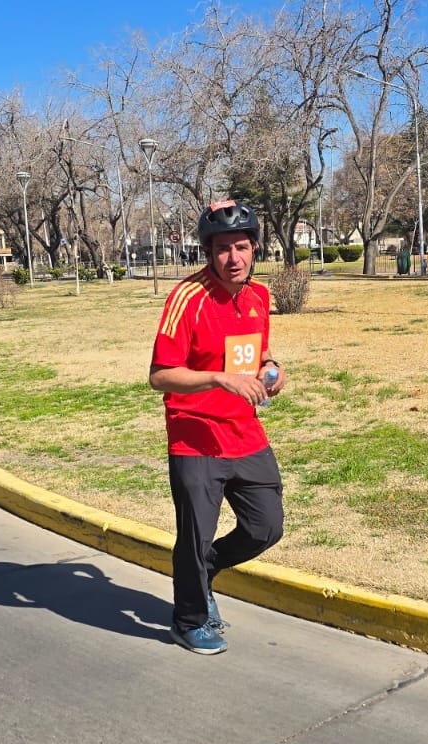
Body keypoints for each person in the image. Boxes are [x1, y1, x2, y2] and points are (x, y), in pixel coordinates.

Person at [149, 200, 287, 655]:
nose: (233, 258)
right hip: (194, 434)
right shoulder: (186, 298)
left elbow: (259, 354)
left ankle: (203, 569)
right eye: (223, 248)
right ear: (208, 252)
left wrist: (272, 369)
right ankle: (189, 619)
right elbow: (160, 376)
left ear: (255, 249)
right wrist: (218, 379)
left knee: (266, 526)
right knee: (195, 534)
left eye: (241, 247)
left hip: (244, 432)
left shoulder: (258, 297)